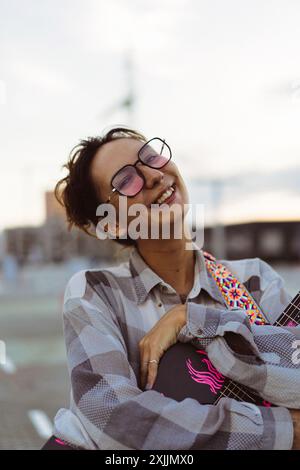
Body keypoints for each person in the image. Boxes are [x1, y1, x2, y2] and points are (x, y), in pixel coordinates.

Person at [42, 126, 300, 450]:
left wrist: (191, 319)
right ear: (113, 224)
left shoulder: (254, 281)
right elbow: (114, 419)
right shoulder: (97, 293)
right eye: (125, 181)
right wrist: (280, 431)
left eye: (150, 156)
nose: (152, 174)